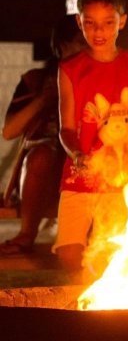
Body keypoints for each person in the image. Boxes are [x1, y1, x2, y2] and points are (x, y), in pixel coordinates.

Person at [55, 0, 128, 281]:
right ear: (79, 22)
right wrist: (77, 154)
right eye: (91, 23)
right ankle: (81, 297)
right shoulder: (70, 70)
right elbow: (66, 128)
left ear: (122, 21)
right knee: (69, 253)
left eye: (108, 23)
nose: (99, 31)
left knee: (111, 254)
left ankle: (102, 300)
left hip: (119, 178)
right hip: (79, 178)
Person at [1, 16, 85, 255]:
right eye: (82, 42)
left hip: (83, 166)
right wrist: (44, 100)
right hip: (42, 176)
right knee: (42, 156)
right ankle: (26, 234)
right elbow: (9, 131)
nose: (89, 49)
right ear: (63, 46)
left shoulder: (98, 79)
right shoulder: (35, 81)